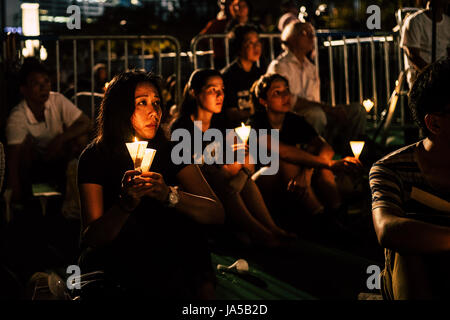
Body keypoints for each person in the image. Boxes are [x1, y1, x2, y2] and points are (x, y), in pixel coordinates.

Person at [77, 71, 225, 299]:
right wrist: (125, 206)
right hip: (120, 259)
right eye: (142, 103)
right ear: (120, 108)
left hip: (170, 254)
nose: (153, 112)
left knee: (187, 226)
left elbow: (216, 213)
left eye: (157, 103)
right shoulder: (95, 156)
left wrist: (170, 195)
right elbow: (92, 237)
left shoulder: (173, 150)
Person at [170, 69, 294, 248]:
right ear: (194, 93)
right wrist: (227, 166)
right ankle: (261, 234)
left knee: (238, 179)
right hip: (197, 190)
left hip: (229, 185)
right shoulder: (182, 127)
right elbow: (192, 167)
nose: (220, 95)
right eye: (213, 90)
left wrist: (241, 175)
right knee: (219, 175)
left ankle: (272, 229)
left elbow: (247, 156)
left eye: (222, 89)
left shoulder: (221, 123)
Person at [369, 58, 450, 299]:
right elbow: (387, 229)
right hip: (417, 275)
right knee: (405, 246)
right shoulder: (390, 169)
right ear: (434, 123)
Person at [249, 73, 363, 224]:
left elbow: (325, 147)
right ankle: (320, 217)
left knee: (321, 168)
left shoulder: (294, 120)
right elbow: (285, 152)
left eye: (287, 90)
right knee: (286, 163)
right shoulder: (257, 122)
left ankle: (338, 213)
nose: (285, 96)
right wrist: (329, 164)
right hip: (262, 182)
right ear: (263, 101)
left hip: (293, 179)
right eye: (277, 92)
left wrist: (307, 173)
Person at [266, 21, 366, 155]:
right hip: (293, 117)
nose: (311, 36)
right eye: (305, 33)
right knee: (316, 114)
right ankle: (314, 161)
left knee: (357, 110)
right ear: (291, 38)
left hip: (316, 112)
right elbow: (289, 101)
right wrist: (327, 109)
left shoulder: (311, 68)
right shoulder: (280, 66)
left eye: (312, 33)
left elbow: (315, 99)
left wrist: (331, 110)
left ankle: (349, 155)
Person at [5, 58, 91, 205]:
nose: (43, 87)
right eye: (36, 84)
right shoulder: (17, 116)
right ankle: (29, 199)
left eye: (46, 82)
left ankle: (86, 186)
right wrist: (15, 192)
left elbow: (86, 122)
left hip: (60, 156)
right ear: (24, 89)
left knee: (81, 137)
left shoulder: (56, 99)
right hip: (34, 163)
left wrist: (60, 139)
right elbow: (13, 159)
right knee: (23, 148)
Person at [221, 24, 264, 127]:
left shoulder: (260, 74)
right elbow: (230, 113)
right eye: (250, 43)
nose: (256, 46)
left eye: (257, 42)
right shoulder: (228, 76)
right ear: (239, 46)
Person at [400, 0, 450, 88]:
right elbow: (413, 55)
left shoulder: (447, 22)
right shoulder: (415, 21)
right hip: (421, 81)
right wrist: (434, 75)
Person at [198, 0, 238, 68]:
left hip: (237, 57)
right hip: (220, 59)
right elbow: (201, 40)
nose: (227, 7)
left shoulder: (242, 23)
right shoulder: (216, 23)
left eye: (230, 4)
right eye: (224, 4)